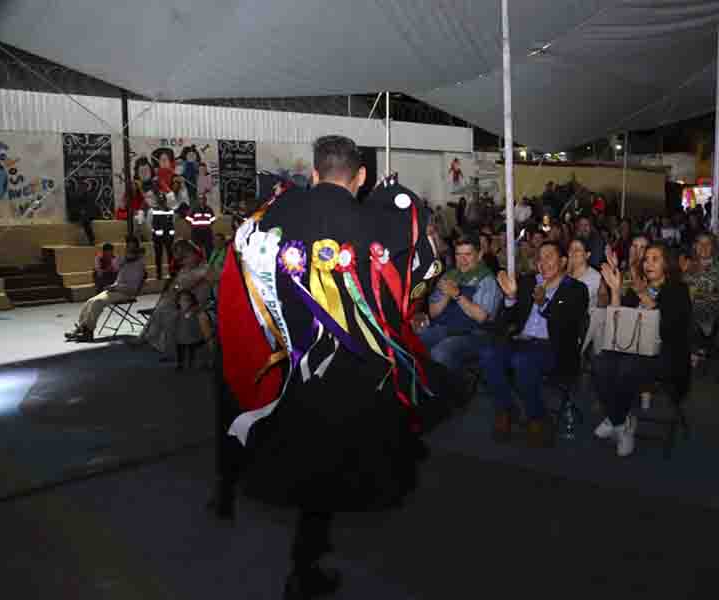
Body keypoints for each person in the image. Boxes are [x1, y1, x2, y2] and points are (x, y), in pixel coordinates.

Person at [216, 135, 439, 599]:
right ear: (359, 178)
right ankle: (322, 560)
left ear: (313, 173)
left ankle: (307, 561)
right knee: (361, 465)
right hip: (363, 379)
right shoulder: (381, 220)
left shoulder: (274, 219)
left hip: (299, 373)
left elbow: (241, 268)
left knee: (314, 471)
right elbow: (423, 269)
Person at [481, 241, 589, 448]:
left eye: (549, 256)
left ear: (563, 261)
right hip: (521, 340)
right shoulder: (528, 282)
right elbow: (506, 321)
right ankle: (505, 408)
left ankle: (536, 416)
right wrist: (510, 298)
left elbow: (568, 327)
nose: (543, 262)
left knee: (522, 361)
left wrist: (543, 304)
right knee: (488, 354)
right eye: (540, 258)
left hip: (554, 347)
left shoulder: (575, 289)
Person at [592, 244, 692, 456]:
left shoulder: (677, 290)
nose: (648, 264)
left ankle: (618, 420)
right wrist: (616, 291)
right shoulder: (638, 288)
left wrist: (644, 295)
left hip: (664, 356)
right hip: (629, 349)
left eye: (655, 259)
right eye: (646, 259)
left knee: (626, 367)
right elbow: (618, 322)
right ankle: (621, 420)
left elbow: (669, 330)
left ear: (667, 263)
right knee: (599, 363)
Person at [415, 233, 502, 375]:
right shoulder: (449, 275)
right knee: (414, 340)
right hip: (445, 328)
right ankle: (424, 388)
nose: (462, 260)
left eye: (468, 254)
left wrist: (457, 294)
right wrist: (447, 296)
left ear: (479, 255)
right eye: (458, 255)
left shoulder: (486, 279)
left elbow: (481, 317)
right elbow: (433, 312)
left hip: (474, 334)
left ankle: (456, 388)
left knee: (441, 352)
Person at [66, 238, 145, 342]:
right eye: (128, 248)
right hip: (116, 289)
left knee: (97, 302)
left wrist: (115, 287)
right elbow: (116, 265)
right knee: (89, 301)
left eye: (131, 248)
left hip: (126, 292)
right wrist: (125, 260)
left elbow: (132, 287)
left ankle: (88, 332)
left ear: (136, 250)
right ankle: (81, 329)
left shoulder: (139, 265)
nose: (128, 250)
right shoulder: (124, 261)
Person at [140, 240, 210, 358]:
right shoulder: (185, 269)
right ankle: (158, 342)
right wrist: (175, 289)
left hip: (196, 300)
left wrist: (177, 289)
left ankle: (161, 344)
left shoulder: (203, 269)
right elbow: (177, 285)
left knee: (167, 310)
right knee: (164, 306)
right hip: (183, 299)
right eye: (183, 258)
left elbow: (186, 285)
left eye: (186, 257)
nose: (184, 260)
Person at [683, 232, 719, 367]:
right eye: (700, 243)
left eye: (708, 243)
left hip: (708, 309)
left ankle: (695, 352)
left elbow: (710, 285)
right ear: (695, 246)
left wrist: (689, 277)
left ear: (713, 247)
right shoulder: (689, 263)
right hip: (689, 306)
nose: (703, 247)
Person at [174, 289, 214, 371]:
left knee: (191, 350)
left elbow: (201, 317)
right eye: (182, 300)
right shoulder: (177, 313)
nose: (185, 302)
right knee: (181, 350)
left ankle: (191, 363)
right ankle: (181, 364)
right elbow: (174, 324)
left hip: (193, 337)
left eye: (188, 300)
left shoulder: (195, 311)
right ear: (178, 302)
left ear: (192, 301)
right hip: (180, 338)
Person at [568, 237, 603, 307]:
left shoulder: (594, 277)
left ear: (587, 255)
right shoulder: (565, 275)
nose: (573, 252)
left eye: (578, 249)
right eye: (571, 249)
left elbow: (603, 300)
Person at [149, 192, 176, 280]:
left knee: (170, 255)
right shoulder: (153, 211)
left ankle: (171, 273)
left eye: (163, 200)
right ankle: (159, 274)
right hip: (157, 238)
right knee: (158, 256)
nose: (162, 202)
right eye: (160, 200)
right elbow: (149, 224)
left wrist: (171, 235)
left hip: (168, 237)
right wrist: (154, 233)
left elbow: (173, 224)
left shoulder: (170, 210)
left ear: (165, 201)